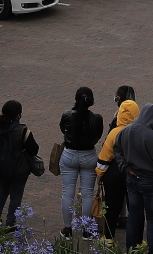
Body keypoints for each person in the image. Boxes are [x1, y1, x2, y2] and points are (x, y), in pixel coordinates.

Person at [113, 103, 153, 254]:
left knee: (134, 216)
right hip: (152, 182)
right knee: (152, 220)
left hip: (132, 180)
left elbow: (117, 150)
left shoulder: (125, 131)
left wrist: (126, 168)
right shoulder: (152, 137)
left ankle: (130, 249)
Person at [58, 87, 105, 239]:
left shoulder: (67, 115)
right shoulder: (97, 118)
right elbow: (97, 135)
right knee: (87, 194)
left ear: (76, 99)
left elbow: (62, 130)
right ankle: (86, 230)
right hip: (88, 156)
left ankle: (67, 229)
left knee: (67, 193)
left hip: (69, 154)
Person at [0, 100, 40, 229]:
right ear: (18, 114)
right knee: (16, 196)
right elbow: (33, 150)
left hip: (0, 167)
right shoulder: (22, 130)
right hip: (18, 170)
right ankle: (10, 223)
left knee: (3, 190)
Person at [97, 100, 140, 243]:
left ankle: (109, 238)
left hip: (114, 174)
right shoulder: (140, 132)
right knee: (135, 208)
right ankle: (137, 241)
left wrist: (99, 174)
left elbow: (105, 157)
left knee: (112, 206)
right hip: (134, 173)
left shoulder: (114, 133)